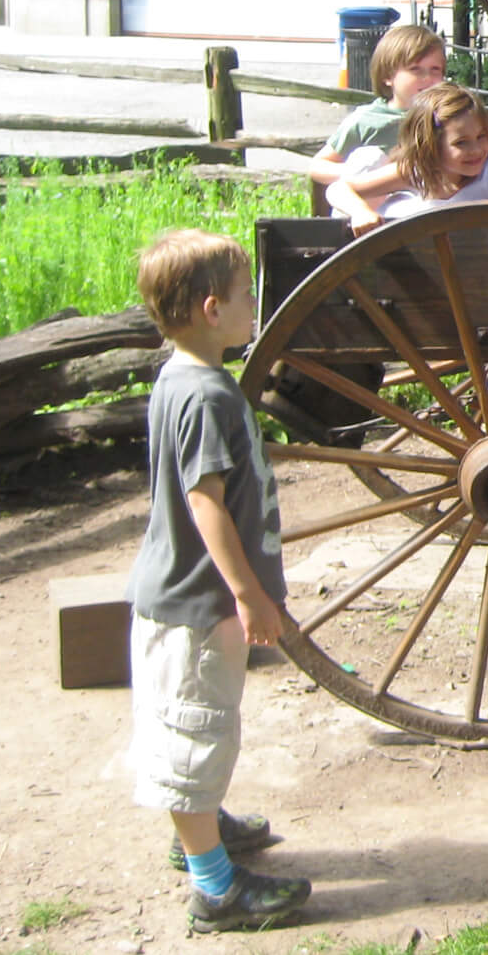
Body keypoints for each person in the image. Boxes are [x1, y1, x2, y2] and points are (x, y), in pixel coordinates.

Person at [128, 230, 311, 933]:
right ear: (211, 309)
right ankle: (215, 888)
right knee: (194, 734)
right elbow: (205, 503)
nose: (252, 307)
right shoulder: (204, 396)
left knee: (200, 726)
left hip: (188, 597)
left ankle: (203, 824)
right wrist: (246, 593)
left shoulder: (186, 376)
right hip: (199, 603)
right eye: (243, 297)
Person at [325, 82, 488, 259]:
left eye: (481, 137)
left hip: (477, 269)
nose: (477, 150)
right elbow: (339, 188)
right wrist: (360, 211)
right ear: (430, 146)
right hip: (416, 266)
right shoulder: (414, 172)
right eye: (461, 143)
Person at [308, 24, 447, 188]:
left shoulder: (448, 117)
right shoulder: (367, 121)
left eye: (435, 69)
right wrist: (359, 173)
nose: (427, 78)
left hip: (429, 204)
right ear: (388, 75)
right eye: (415, 69)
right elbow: (318, 166)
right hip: (376, 203)